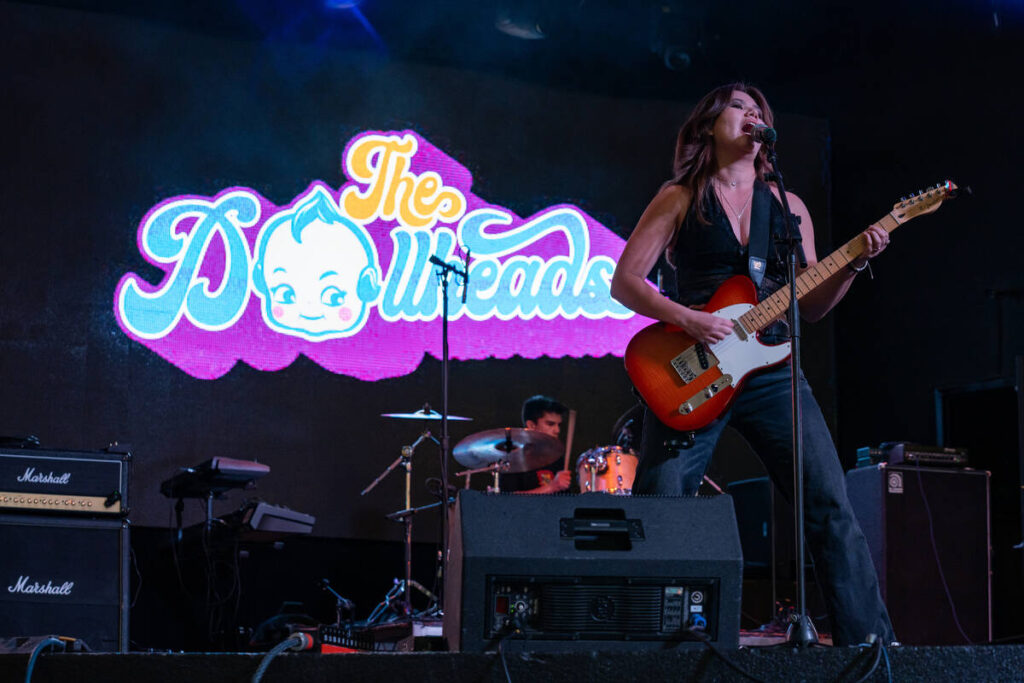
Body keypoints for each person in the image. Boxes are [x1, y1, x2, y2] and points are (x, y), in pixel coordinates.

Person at [609, 83, 895, 646]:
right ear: (709, 124)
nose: (752, 114)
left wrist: (853, 264)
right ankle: (641, 648)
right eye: (739, 107)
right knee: (661, 502)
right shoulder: (681, 196)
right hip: (693, 364)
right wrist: (690, 319)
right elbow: (625, 282)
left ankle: (871, 646)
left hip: (773, 368)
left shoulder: (789, 206)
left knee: (828, 501)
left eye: (758, 110)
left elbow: (812, 305)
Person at [499, 395, 573, 494]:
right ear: (531, 425)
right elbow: (508, 499)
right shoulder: (513, 458)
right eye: (550, 424)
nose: (557, 430)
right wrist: (551, 487)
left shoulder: (557, 458)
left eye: (558, 425)